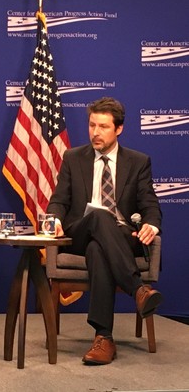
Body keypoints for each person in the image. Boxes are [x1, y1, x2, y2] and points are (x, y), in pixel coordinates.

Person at [47, 97, 163, 365]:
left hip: (120, 236)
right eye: (91, 125)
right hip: (80, 231)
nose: (95, 133)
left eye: (103, 127)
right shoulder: (73, 157)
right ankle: (138, 289)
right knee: (98, 217)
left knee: (98, 249)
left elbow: (150, 205)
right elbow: (59, 200)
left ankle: (103, 338)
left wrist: (151, 224)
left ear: (119, 129)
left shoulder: (138, 161)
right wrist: (53, 219)